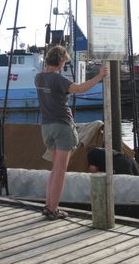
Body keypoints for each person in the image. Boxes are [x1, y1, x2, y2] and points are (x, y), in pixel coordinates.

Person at [35, 45, 108, 220]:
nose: (63, 65)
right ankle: (53, 209)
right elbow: (79, 89)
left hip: (47, 128)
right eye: (63, 62)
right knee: (60, 171)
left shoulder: (39, 78)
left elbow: (49, 76)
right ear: (60, 61)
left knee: (55, 169)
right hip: (62, 126)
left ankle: (48, 205)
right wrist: (100, 75)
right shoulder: (58, 79)